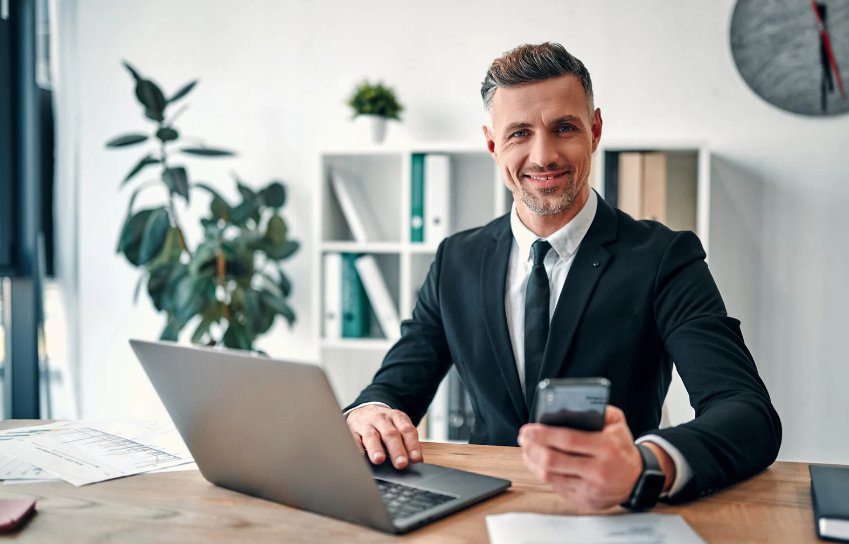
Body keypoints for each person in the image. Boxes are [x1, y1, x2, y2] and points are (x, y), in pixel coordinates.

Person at [344, 42, 781, 510]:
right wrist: (370, 413)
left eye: (564, 128)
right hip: (480, 512)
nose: (543, 156)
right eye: (519, 134)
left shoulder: (664, 257)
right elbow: (393, 388)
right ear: (493, 145)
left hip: (613, 513)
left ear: (594, 131)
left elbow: (747, 412)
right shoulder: (457, 259)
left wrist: (646, 465)